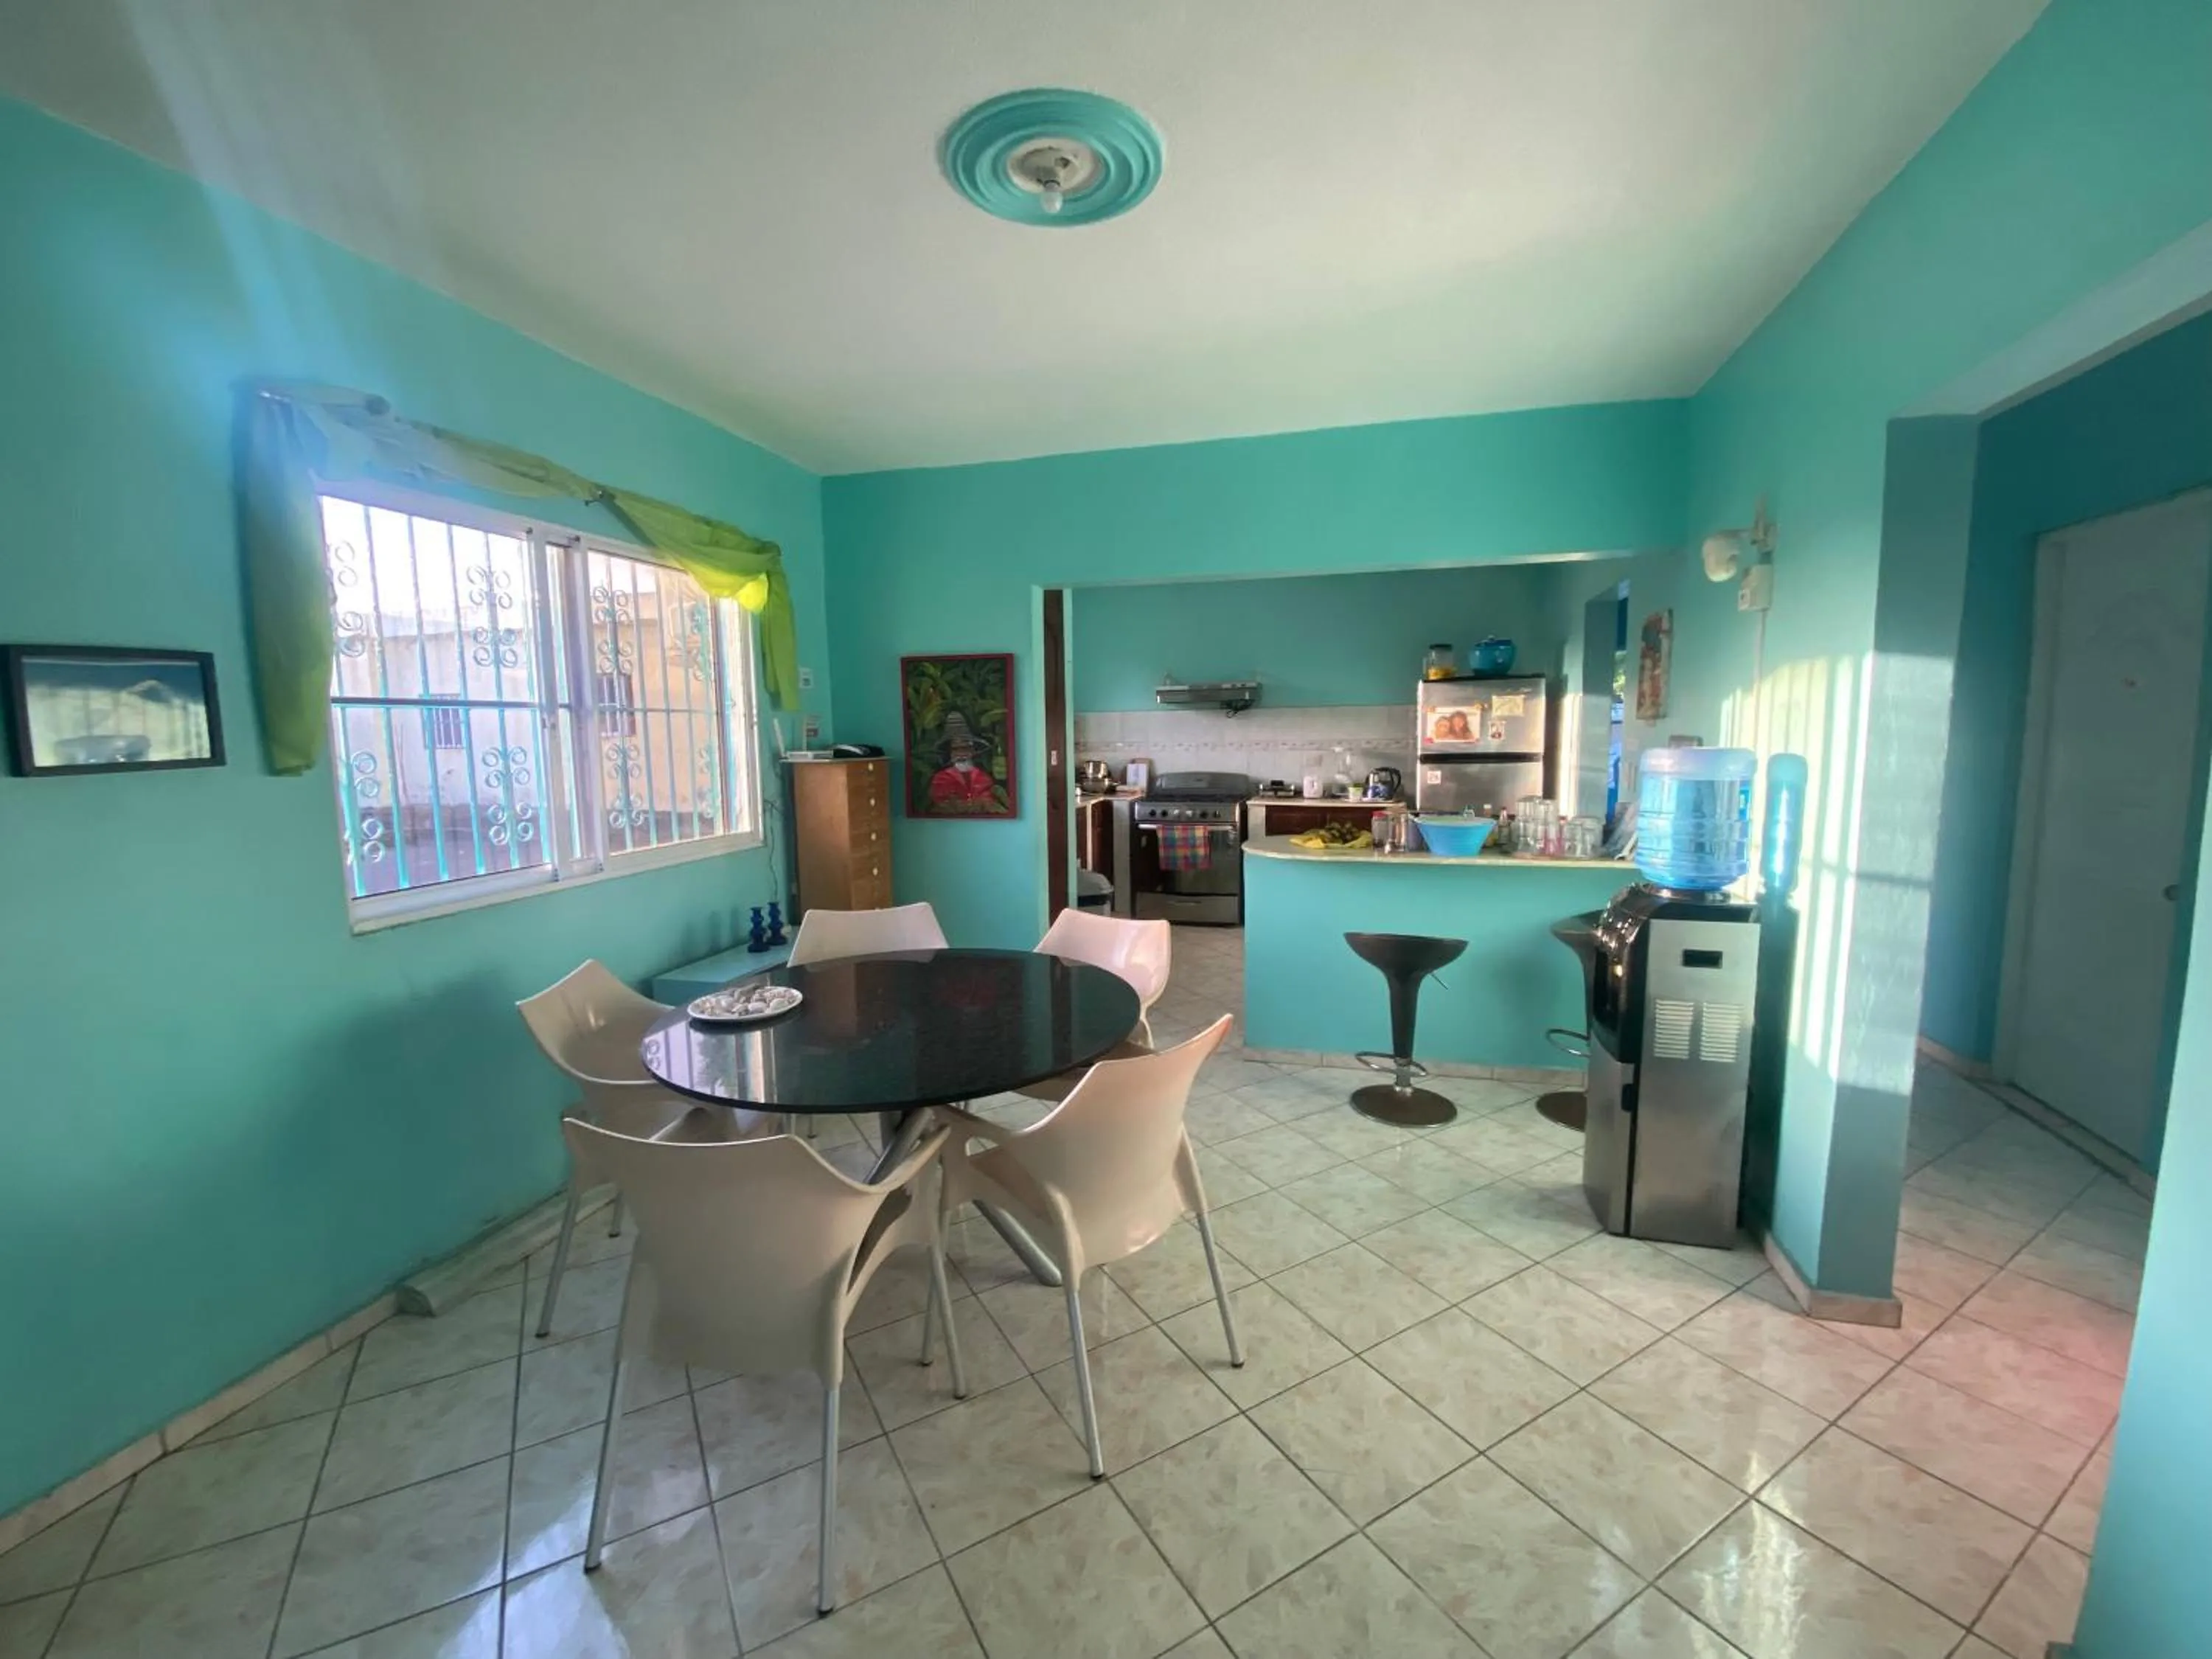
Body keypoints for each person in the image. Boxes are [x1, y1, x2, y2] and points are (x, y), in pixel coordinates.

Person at [928, 710, 1001, 810]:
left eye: (965, 748)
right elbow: (941, 805)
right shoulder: (940, 779)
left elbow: (990, 803)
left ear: (972, 750)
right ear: (950, 752)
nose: (961, 753)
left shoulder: (984, 778)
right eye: (956, 749)